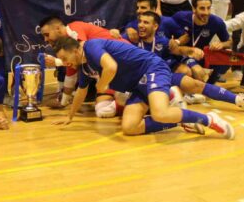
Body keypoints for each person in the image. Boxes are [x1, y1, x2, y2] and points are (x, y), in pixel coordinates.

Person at [52, 37, 234, 139]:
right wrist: (70, 117)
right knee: (130, 128)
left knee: (160, 113)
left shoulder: (91, 47)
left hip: (152, 68)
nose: (64, 62)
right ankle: (181, 119)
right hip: (137, 85)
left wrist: (102, 85)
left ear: (75, 50)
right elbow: (82, 91)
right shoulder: (84, 66)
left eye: (64, 57)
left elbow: (111, 66)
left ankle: (209, 119)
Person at [135, 11, 244, 111]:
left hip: (161, 76)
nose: (141, 25)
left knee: (198, 84)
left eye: (145, 22)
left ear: (155, 26)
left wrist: (191, 51)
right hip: (140, 81)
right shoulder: (130, 38)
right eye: (139, 22)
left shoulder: (162, 40)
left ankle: (239, 100)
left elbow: (179, 50)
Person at [40, 16, 124, 112]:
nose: (45, 39)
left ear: (58, 29)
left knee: (111, 105)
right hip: (111, 71)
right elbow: (71, 73)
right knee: (102, 110)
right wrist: (63, 102)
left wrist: (57, 62)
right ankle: (126, 100)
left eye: (47, 34)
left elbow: (83, 53)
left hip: (122, 64)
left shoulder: (74, 30)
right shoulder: (67, 46)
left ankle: (128, 99)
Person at [171, 0, 231, 84]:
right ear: (194, 9)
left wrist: (221, 44)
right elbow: (166, 40)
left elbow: (230, 42)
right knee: (189, 72)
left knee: (225, 55)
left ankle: (212, 78)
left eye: (209, 8)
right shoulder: (179, 17)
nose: (206, 12)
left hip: (200, 56)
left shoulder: (216, 22)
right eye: (202, 8)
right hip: (180, 56)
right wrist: (178, 41)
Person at [121, 0, 186, 44]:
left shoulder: (167, 21)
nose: (138, 11)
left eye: (143, 8)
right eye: (137, 8)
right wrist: (126, 31)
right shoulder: (131, 25)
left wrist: (176, 43)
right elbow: (120, 40)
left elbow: (185, 36)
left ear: (153, 9)